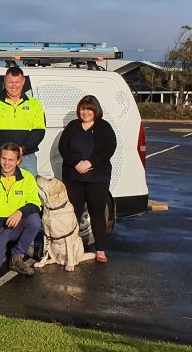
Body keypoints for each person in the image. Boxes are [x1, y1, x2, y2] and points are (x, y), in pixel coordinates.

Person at [58, 95, 117, 263]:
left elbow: (109, 148)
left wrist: (90, 162)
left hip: (97, 177)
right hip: (73, 177)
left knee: (97, 214)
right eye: (83, 109)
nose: (85, 112)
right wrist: (76, 163)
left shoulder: (104, 127)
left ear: (95, 110)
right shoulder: (73, 126)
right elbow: (63, 148)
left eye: (89, 109)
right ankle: (70, 249)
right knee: (72, 214)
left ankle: (100, 250)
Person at [0, 142, 43, 276]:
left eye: (11, 160)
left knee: (34, 220)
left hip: (16, 225)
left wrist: (20, 212)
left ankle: (16, 256)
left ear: (18, 161)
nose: (7, 163)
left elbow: (36, 204)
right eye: (4, 158)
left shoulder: (27, 178)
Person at [0, 67, 46, 175]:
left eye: (17, 82)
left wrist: (21, 149)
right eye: (10, 82)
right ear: (5, 81)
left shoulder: (35, 104)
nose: (14, 86)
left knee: (26, 190)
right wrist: (6, 151)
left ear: (23, 81)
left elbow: (39, 131)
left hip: (26, 157)